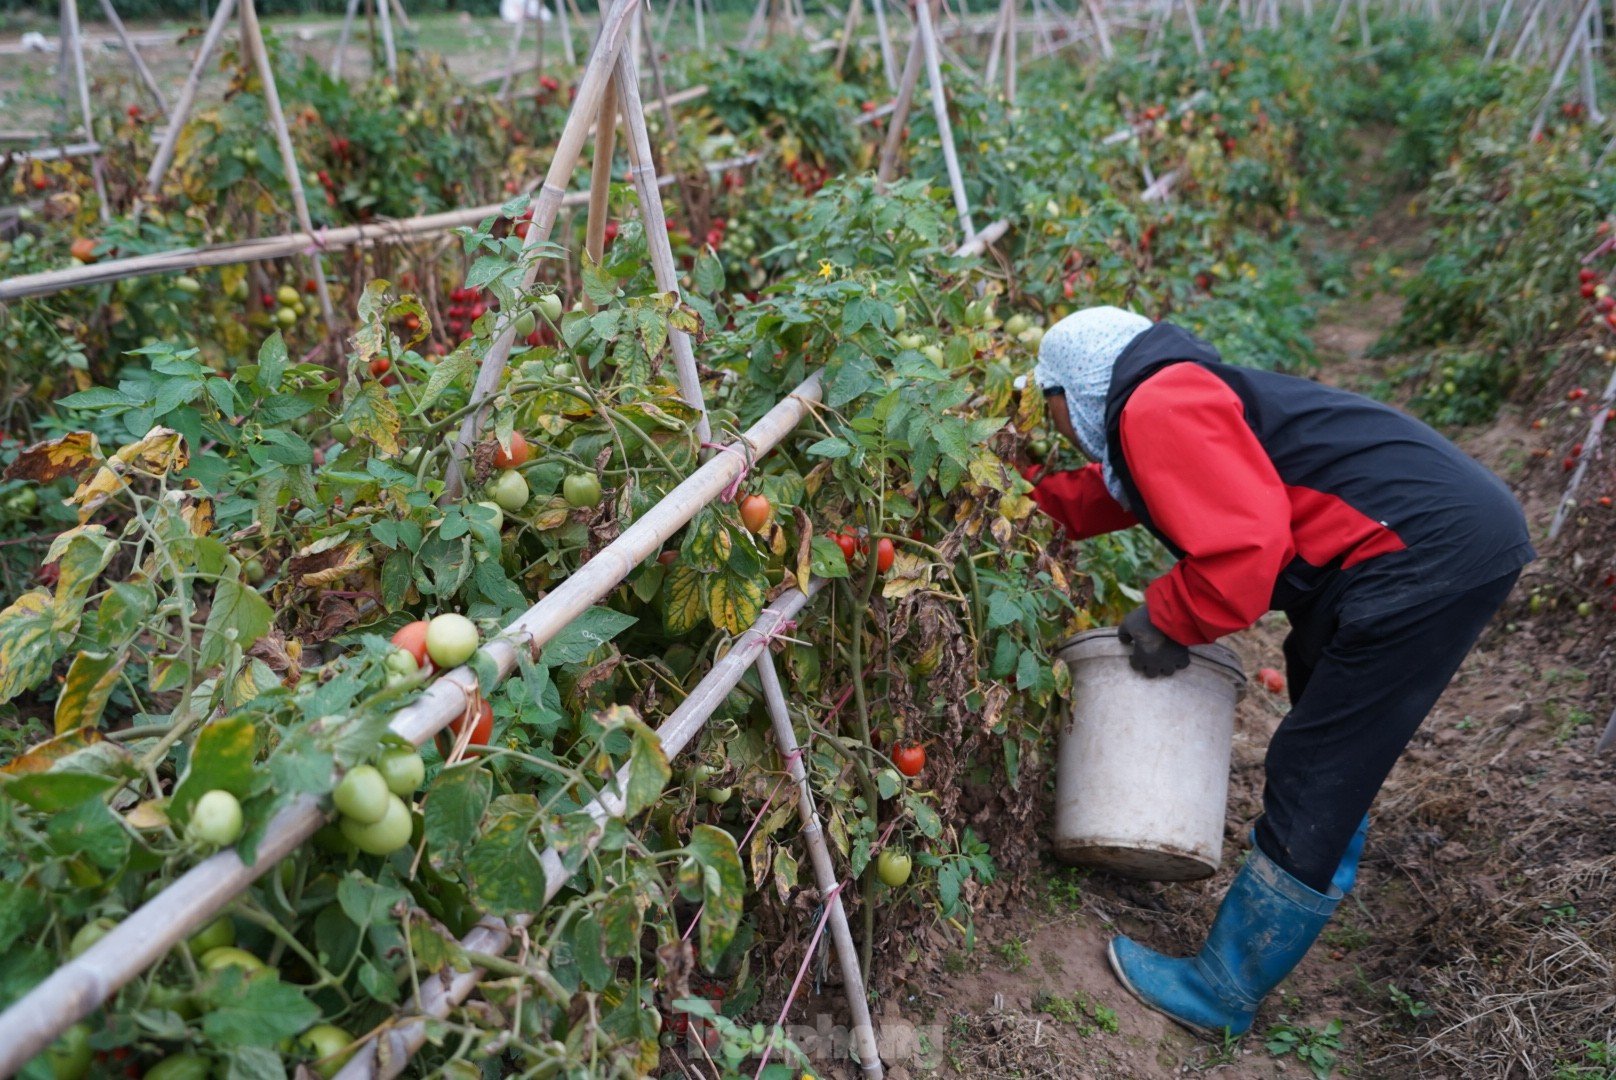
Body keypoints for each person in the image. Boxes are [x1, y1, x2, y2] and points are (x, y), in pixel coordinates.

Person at [1023, 306, 1533, 1039]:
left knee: (1320, 760)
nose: (1051, 424)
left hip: (1425, 551)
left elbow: (1247, 550)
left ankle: (1222, 989)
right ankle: (1320, 858)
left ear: (1076, 388)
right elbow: (1134, 488)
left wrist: (1167, 615)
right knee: (1327, 713)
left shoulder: (1156, 404)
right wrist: (1027, 497)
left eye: (1049, 405)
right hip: (1425, 539)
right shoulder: (1172, 394)